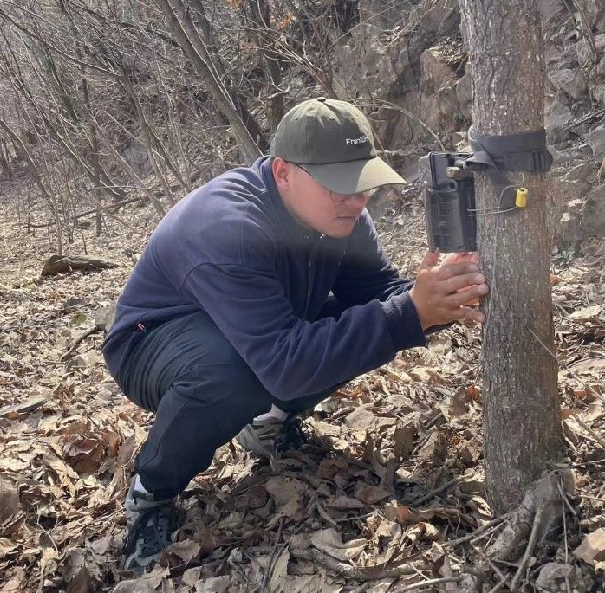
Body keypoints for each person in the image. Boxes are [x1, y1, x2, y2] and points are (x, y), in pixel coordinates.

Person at [103, 97, 487, 573]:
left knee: (363, 320)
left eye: (363, 184)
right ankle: (150, 496)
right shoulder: (226, 227)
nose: (358, 199)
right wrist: (411, 312)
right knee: (233, 375)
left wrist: (440, 294)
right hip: (150, 341)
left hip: (255, 329)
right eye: (340, 187)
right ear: (283, 172)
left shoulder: (343, 216)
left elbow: (376, 294)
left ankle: (265, 426)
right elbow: (287, 366)